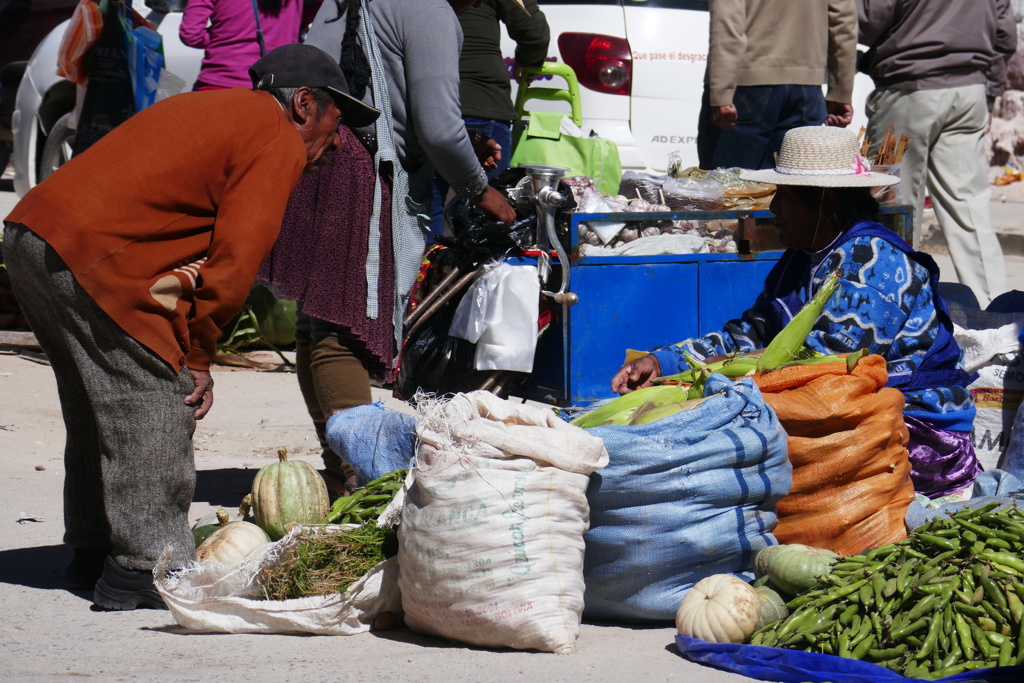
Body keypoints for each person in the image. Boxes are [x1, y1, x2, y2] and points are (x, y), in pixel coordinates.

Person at [2, 43, 379, 610]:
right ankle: (145, 566)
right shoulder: (275, 138)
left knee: (96, 404)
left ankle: (95, 547)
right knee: (156, 397)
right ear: (304, 104)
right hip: (91, 253)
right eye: (337, 119)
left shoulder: (218, 110)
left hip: (32, 236)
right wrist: (197, 357)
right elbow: (234, 262)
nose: (337, 140)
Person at [613, 126, 981, 498]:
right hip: (832, 406)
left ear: (826, 202)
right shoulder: (800, 259)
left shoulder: (874, 263)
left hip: (914, 429)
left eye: (785, 197)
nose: (773, 210)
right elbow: (748, 334)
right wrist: (667, 363)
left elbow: (831, 366)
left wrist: (723, 371)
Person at [259, 0, 516, 494]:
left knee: (320, 322)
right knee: (346, 329)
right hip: (364, 181)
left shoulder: (344, 4)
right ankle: (364, 476)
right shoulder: (427, 10)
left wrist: (463, 148)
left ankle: (338, 468)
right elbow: (439, 128)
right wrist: (479, 187)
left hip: (318, 164)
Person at [857, 0, 1017, 308]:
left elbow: (867, 21)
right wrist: (990, 87)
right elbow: (1005, 36)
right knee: (968, 207)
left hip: (909, 86)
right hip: (968, 90)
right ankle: (995, 310)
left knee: (895, 205)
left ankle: (896, 304)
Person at [429, 0, 550, 234]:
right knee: (490, 216)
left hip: (427, 101)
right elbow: (533, 29)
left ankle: (425, 268)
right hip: (481, 100)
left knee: (424, 208)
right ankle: (481, 270)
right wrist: (529, 62)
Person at [697, 0, 858, 170]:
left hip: (747, 85)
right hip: (806, 86)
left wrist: (722, 92)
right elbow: (843, 23)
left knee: (729, 187)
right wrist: (841, 92)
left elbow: (727, 21)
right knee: (792, 190)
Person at [179, 0, 305, 90]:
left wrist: (223, 34)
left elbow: (191, 35)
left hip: (220, 84)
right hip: (277, 88)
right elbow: (317, 11)